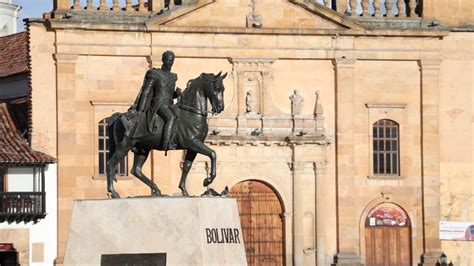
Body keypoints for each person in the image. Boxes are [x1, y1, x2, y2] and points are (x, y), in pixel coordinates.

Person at [130, 50, 181, 151]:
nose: (170, 63)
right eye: (168, 60)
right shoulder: (154, 74)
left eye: (172, 61)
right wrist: (140, 110)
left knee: (182, 117)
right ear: (163, 60)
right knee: (170, 118)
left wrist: (177, 94)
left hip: (170, 104)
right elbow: (146, 92)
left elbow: (169, 94)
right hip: (159, 105)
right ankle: (166, 144)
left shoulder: (173, 76)